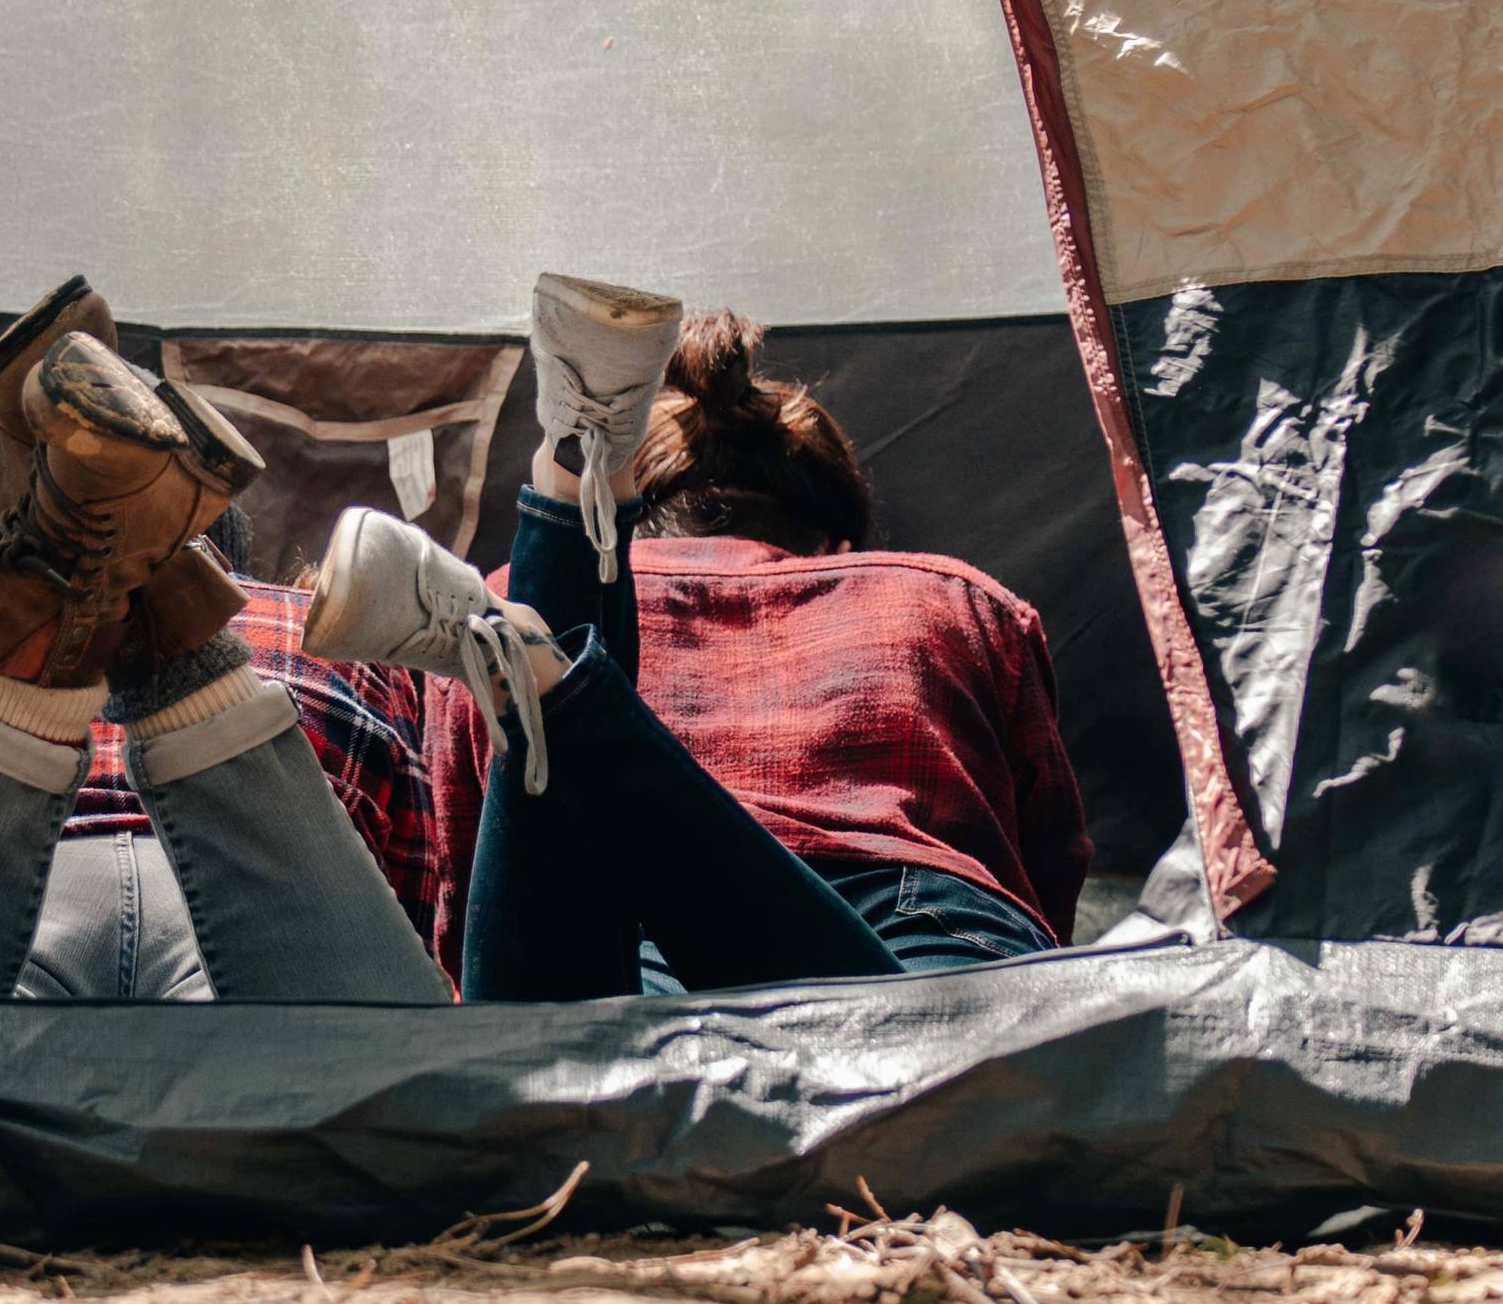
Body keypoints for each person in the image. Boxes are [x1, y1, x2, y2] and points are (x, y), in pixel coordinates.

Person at [385, 288, 1093, 1001]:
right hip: (919, 931)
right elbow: (1047, 863)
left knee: (544, 1037)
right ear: (838, 548)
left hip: (626, 956)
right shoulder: (952, 598)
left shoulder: (492, 605)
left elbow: (478, 874)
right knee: (930, 1080)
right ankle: (564, 689)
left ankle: (573, 536)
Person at [0, 280, 455, 1002]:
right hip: (267, 960)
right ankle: (173, 622)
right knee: (374, 1062)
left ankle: (35, 611)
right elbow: (419, 889)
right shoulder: (321, 632)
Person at [0, 505, 448, 1000]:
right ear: (232, 561)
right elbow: (416, 885)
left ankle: (19, 663)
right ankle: (190, 672)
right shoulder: (314, 624)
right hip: (269, 917)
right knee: (373, 1068)